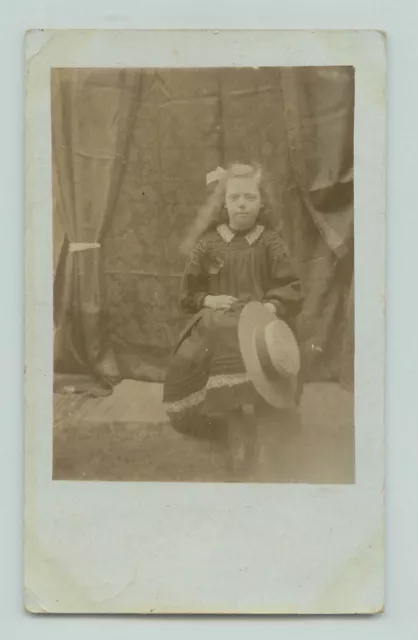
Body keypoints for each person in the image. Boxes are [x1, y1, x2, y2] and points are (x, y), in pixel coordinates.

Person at [162, 163, 304, 479]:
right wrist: (209, 299)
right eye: (235, 197)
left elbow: (291, 286)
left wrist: (271, 305)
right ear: (223, 203)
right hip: (221, 321)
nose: (242, 204)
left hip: (259, 319)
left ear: (261, 203)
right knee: (222, 327)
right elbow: (188, 294)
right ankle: (236, 425)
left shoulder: (271, 243)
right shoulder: (209, 244)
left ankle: (266, 434)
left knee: (259, 339)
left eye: (249, 198)